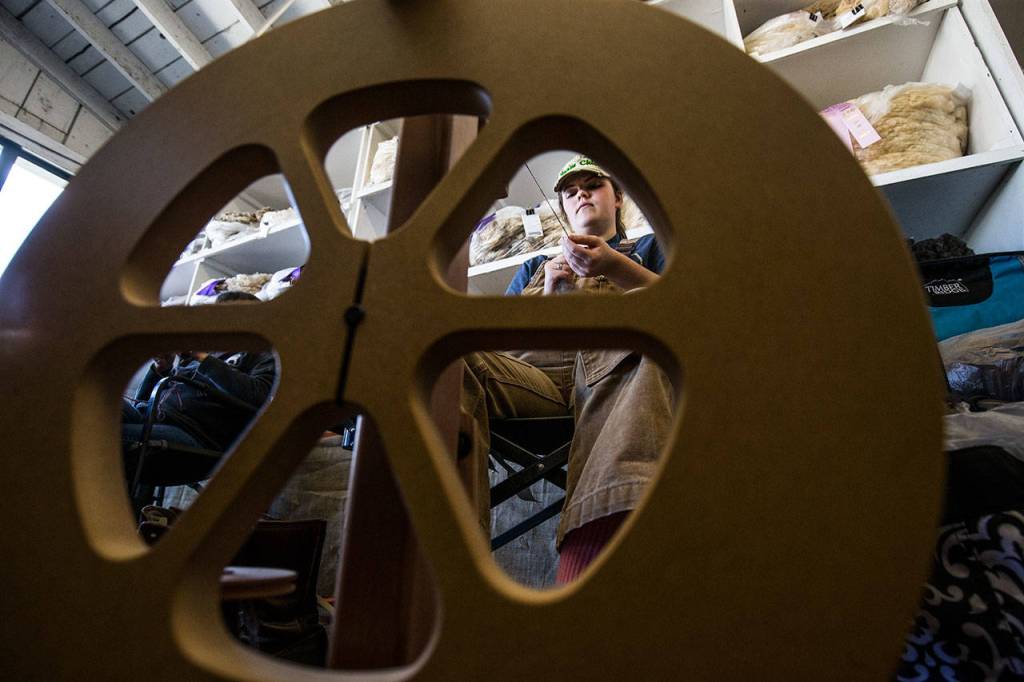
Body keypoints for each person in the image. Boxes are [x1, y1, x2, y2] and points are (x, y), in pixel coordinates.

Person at [461, 155, 673, 584]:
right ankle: (450, 559)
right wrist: (544, 300)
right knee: (447, 360)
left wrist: (615, 268)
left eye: (592, 184)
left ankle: (595, 558)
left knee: (649, 350)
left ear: (618, 198)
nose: (580, 193)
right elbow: (494, 340)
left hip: (616, 379)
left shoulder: (649, 250)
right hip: (532, 384)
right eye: (570, 190)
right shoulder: (531, 268)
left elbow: (685, 315)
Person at [121, 291, 276, 501]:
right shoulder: (203, 357)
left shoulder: (263, 355)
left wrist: (202, 357)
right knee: (91, 410)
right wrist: (161, 369)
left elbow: (258, 396)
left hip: (198, 439)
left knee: (99, 436)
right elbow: (144, 401)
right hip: (152, 420)